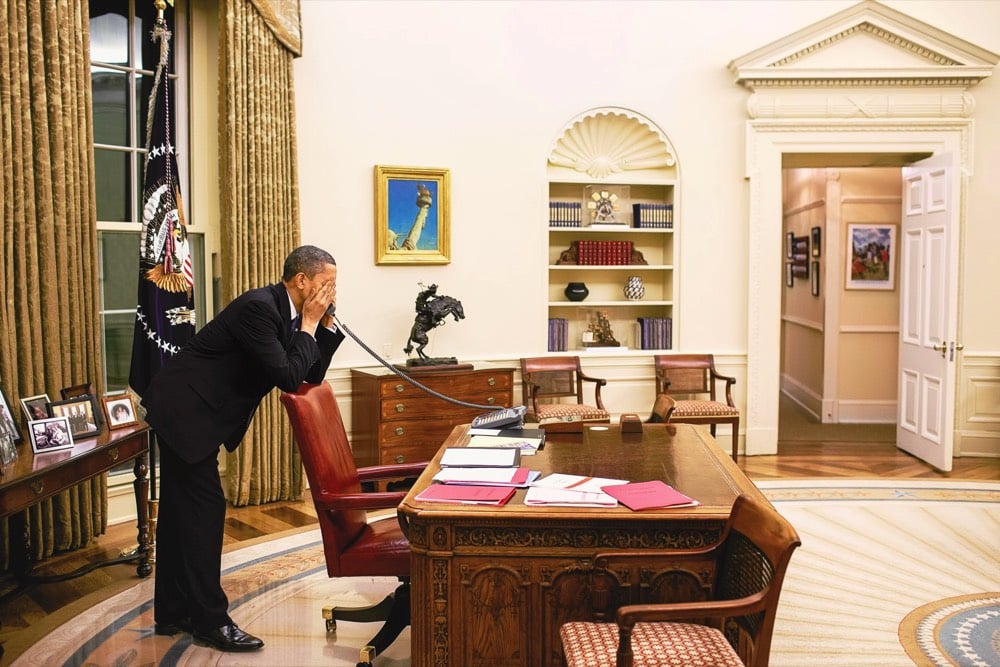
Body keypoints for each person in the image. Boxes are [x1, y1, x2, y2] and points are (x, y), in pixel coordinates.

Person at [140, 245, 344, 652]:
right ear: (301, 281)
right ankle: (210, 621)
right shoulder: (259, 308)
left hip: (198, 413)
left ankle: (173, 611)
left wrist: (322, 326)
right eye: (326, 285)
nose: (330, 293)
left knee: (181, 513)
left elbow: (308, 374)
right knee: (204, 511)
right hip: (184, 409)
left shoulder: (291, 315)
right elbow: (287, 376)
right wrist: (308, 323)